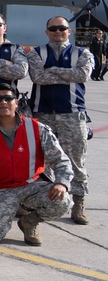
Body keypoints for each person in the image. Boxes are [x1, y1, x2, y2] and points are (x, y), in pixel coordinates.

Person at [0, 84, 74, 246]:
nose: (3, 102)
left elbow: (61, 160)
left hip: (31, 185)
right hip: (0, 189)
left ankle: (29, 222)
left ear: (16, 102)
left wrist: (61, 183)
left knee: (62, 200)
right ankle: (1, 213)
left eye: (8, 98)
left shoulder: (37, 128)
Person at [26, 16, 94, 225]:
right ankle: (44, 202)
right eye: (53, 29)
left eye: (62, 28)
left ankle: (79, 202)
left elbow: (82, 75)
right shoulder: (37, 53)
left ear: (69, 31)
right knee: (42, 162)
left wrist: (53, 70)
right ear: (46, 31)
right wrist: (67, 75)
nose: (57, 32)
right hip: (42, 114)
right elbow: (38, 78)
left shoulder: (82, 53)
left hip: (72, 114)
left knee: (75, 160)